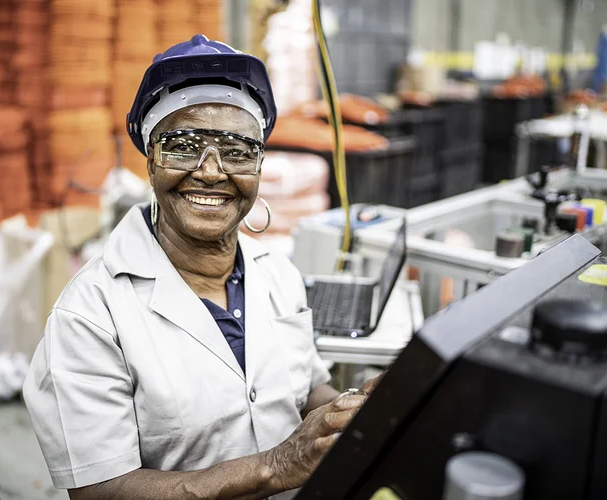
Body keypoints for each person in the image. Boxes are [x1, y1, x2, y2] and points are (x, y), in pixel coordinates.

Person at [23, 35, 381, 500]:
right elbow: (100, 490)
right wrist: (274, 466)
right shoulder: (90, 316)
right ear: (150, 160)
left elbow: (307, 386)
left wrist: (355, 413)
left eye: (237, 151)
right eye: (183, 146)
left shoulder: (278, 273)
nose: (211, 171)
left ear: (258, 167)